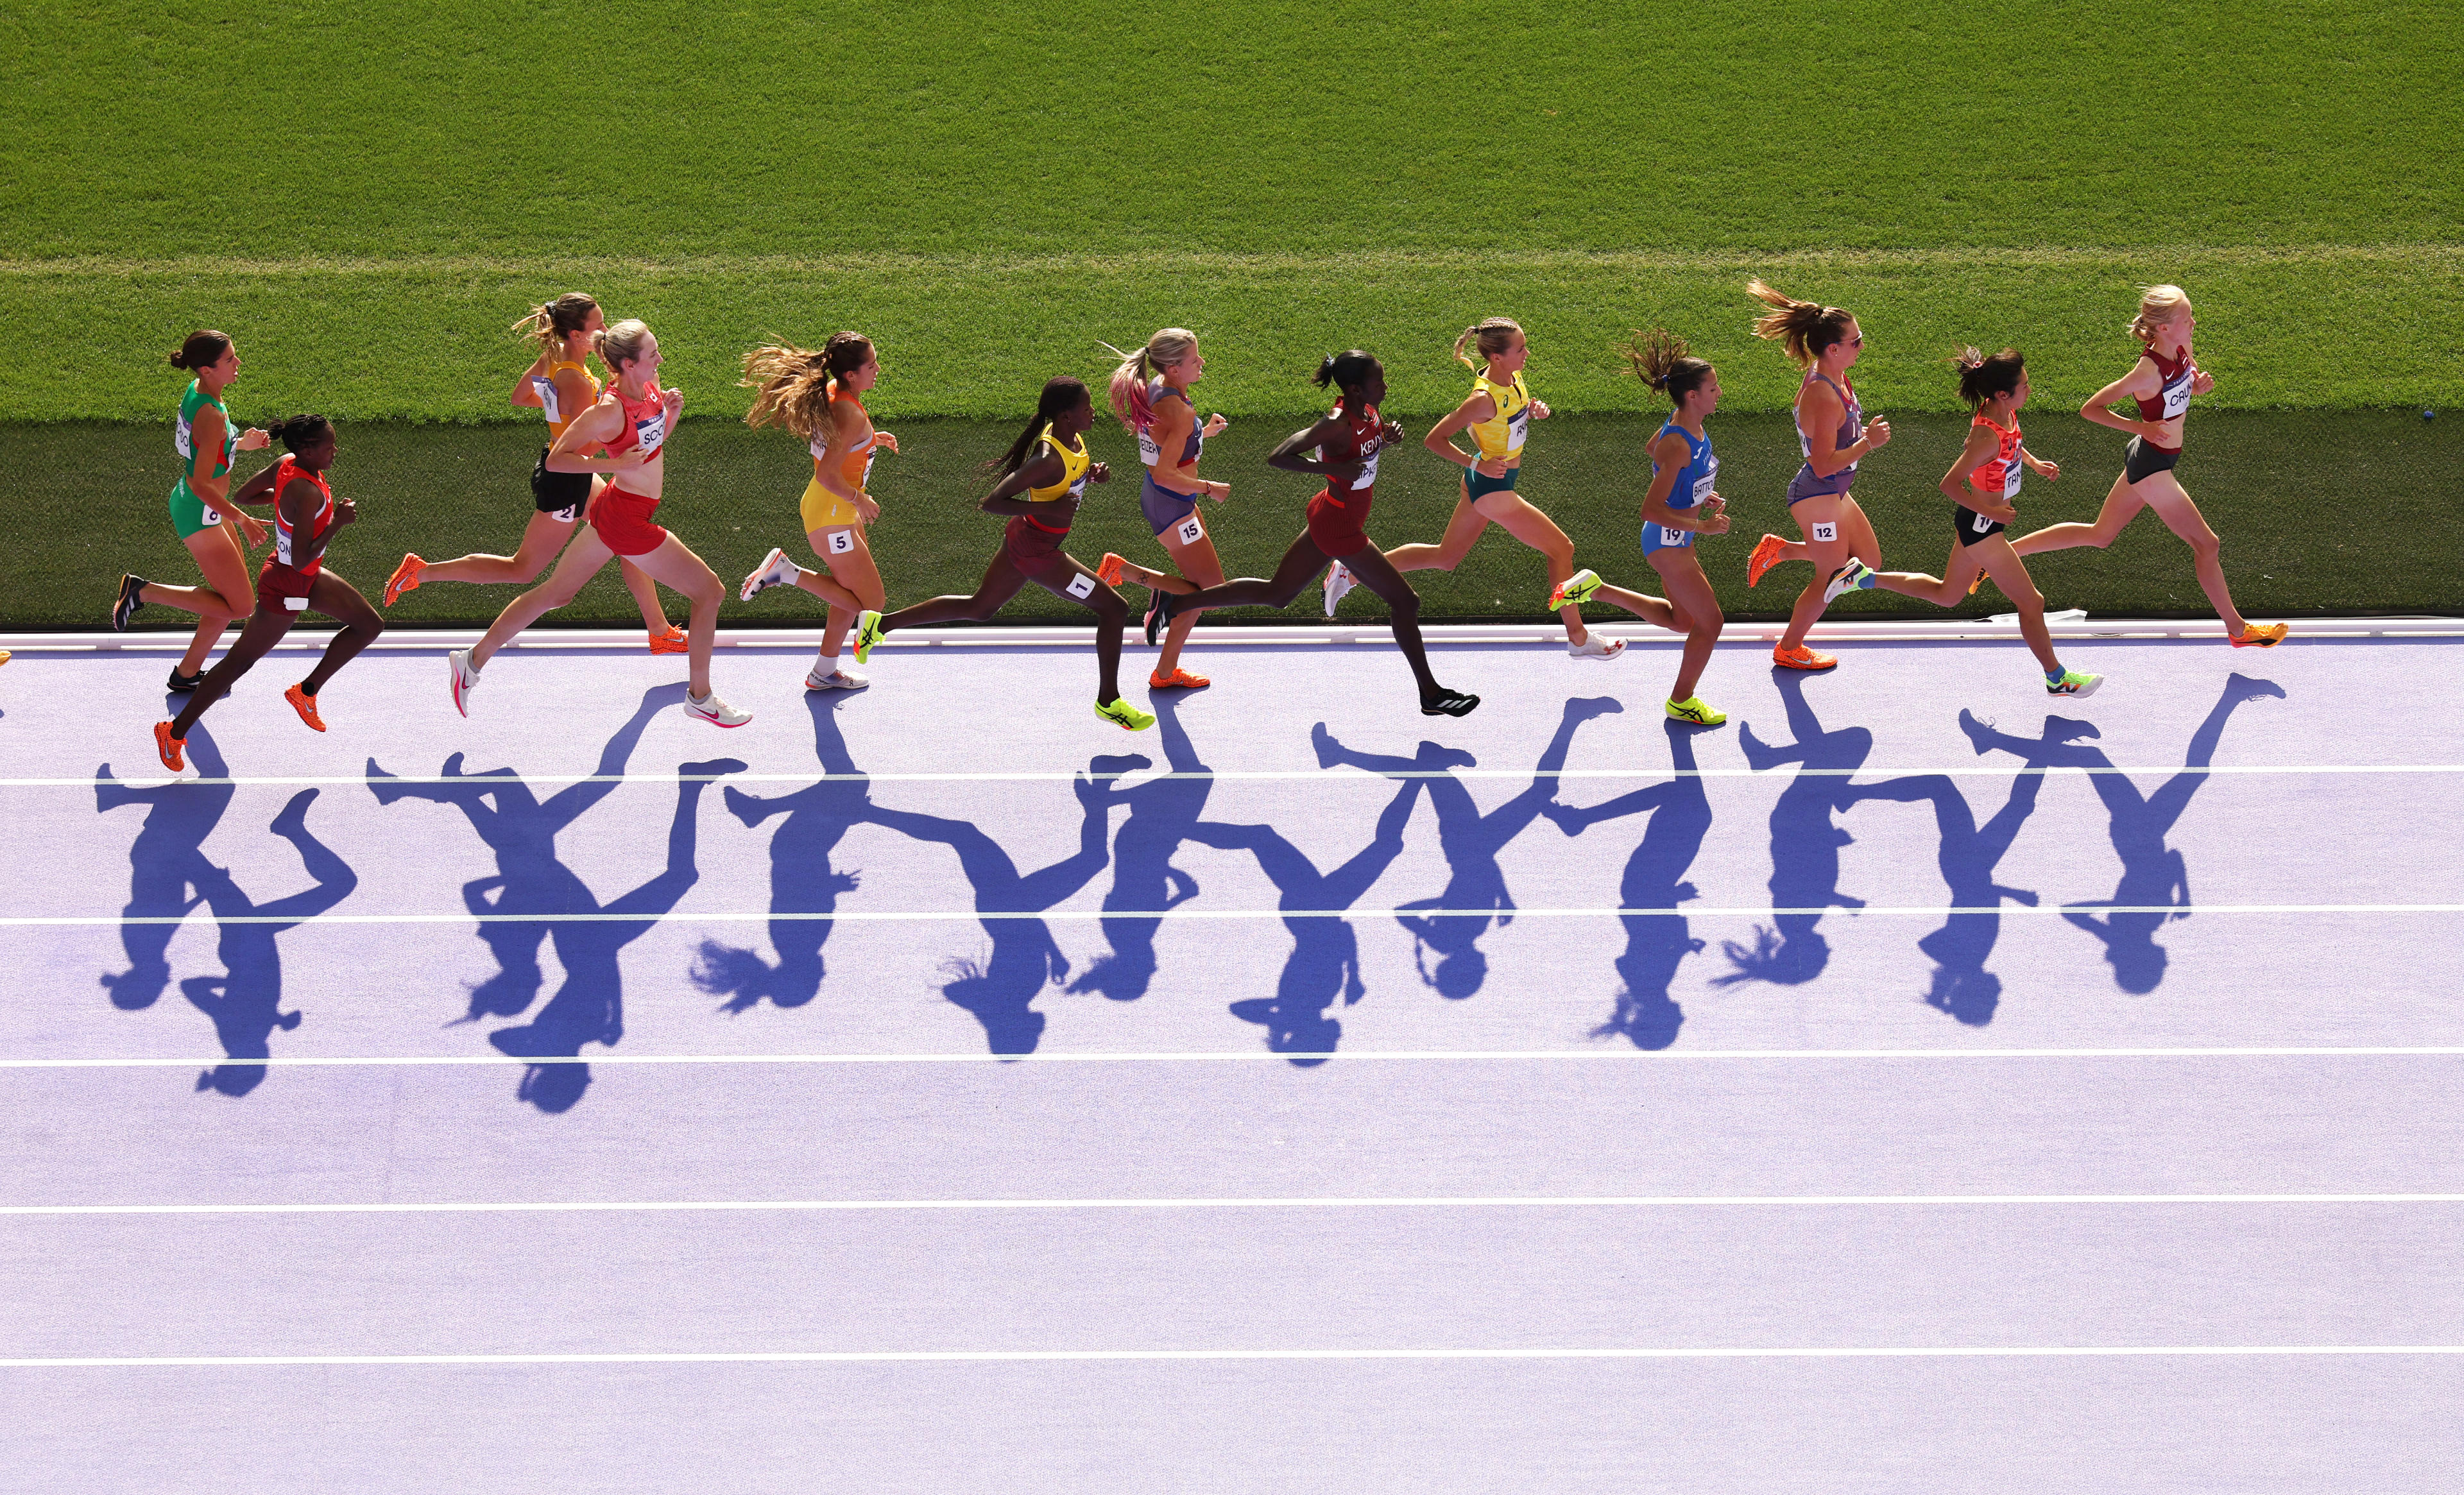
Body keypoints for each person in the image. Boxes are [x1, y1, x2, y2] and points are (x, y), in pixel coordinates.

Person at [1109, 351, 1480, 717]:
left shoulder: (1368, 411)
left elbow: (1362, 449)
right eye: (1378, 382)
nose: (1385, 387)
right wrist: (1331, 470)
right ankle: (1430, 694)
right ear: (1353, 388)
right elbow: (1280, 456)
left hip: (1329, 516)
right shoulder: (1336, 420)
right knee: (1406, 602)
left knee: (1277, 595)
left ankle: (1173, 603)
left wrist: (1384, 437)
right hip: (1340, 529)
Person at [446, 319, 749, 728]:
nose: (659, 358)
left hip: (616, 506)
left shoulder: (649, 385)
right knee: (710, 593)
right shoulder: (606, 411)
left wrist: (671, 413)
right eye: (652, 354)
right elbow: (557, 459)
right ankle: (700, 696)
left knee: (556, 593)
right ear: (626, 364)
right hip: (627, 517)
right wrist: (612, 464)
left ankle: (471, 660)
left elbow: (651, 447)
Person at [837, 376, 1156, 731]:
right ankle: (1108, 701)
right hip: (1038, 552)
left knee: (980, 608)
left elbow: (1065, 483)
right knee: (1115, 608)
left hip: (1026, 542)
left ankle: (880, 625)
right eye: (1087, 407)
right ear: (1066, 416)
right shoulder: (1047, 457)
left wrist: (1091, 476)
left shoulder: (1074, 440)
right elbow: (993, 503)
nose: (1093, 412)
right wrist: (1048, 512)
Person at [382, 294, 683, 653]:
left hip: (577, 472)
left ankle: (659, 630)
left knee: (628, 539)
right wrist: (617, 437)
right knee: (523, 569)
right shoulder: (580, 384)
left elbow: (521, 396)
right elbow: (581, 450)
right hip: (568, 480)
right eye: (598, 326)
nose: (605, 330)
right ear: (575, 334)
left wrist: (563, 416)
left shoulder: (556, 357)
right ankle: (422, 571)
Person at [2008, 285, 2287, 648]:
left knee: (2100, 535)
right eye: (2187, 319)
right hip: (2153, 464)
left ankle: (2000, 556)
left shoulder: (2182, 350)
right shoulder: (2145, 372)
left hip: (2155, 457)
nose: (2193, 323)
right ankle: (2239, 631)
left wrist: (2198, 387)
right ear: (2166, 328)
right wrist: (2140, 426)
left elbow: (2183, 384)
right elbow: (2091, 409)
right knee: (2207, 544)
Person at [1828, 348, 2103, 697]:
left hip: (1982, 524)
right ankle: (2057, 677)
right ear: (2003, 394)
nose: (2029, 390)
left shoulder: (2003, 413)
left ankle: (1864, 578)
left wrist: (2034, 464)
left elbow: (2013, 444)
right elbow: (1949, 484)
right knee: (2032, 603)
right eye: (2024, 385)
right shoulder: (1985, 435)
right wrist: (1992, 513)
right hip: (1982, 527)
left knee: (1948, 595)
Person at [1373, 317, 1622, 661]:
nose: (1527, 353)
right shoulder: (1481, 399)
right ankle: (1578, 637)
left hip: (1490, 482)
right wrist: (1478, 464)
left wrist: (1534, 411)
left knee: (1446, 557)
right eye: (1520, 349)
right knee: (1562, 550)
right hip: (1492, 487)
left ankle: (1356, 570)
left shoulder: (1514, 378)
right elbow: (1434, 440)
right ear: (1497, 358)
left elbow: (1512, 417)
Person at [152, 416, 384, 770]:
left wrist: (283, 504)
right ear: (306, 449)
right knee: (238, 663)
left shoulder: (287, 465)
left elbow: (244, 495)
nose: (334, 450)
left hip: (303, 576)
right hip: (288, 585)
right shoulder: (305, 492)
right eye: (328, 445)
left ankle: (305, 692)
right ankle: (174, 732)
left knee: (369, 625)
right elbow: (305, 553)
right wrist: (337, 521)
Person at [1736, 281, 1892, 671]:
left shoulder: (1836, 375)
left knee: (1867, 561)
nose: (1861, 346)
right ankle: (1789, 647)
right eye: (1856, 341)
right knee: (1833, 573)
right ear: (1833, 348)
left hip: (1835, 491)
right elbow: (1823, 463)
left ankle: (1783, 550)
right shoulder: (1823, 392)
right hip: (1818, 491)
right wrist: (1868, 443)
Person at [732, 332, 897, 688]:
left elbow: (837, 447)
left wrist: (871, 441)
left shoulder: (836, 392)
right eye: (871, 365)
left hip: (830, 510)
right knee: (871, 601)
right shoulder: (849, 411)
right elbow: (827, 473)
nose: (878, 369)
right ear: (851, 374)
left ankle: (823, 673)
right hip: (834, 513)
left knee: (848, 594)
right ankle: (785, 573)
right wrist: (859, 499)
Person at [112, 329, 271, 691]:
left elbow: (207, 448)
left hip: (201, 505)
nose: (238, 363)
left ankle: (186, 674)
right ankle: (142, 592)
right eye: (230, 359)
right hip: (200, 510)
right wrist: (242, 518)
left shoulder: (201, 394)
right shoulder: (211, 415)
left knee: (226, 600)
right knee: (242, 606)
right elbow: (203, 483)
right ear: (206, 369)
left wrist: (241, 442)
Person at [1102, 328, 1231, 686]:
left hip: (1169, 501)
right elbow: (1164, 474)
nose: (1202, 363)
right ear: (1174, 368)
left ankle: (1164, 672)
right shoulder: (1179, 410)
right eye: (1194, 359)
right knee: (1211, 595)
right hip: (1172, 503)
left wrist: (1203, 434)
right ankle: (1130, 574)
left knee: (1203, 592)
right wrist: (1209, 488)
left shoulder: (1155, 388)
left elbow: (1164, 442)